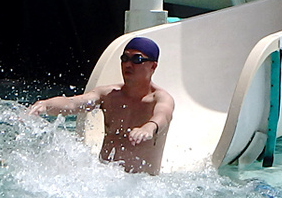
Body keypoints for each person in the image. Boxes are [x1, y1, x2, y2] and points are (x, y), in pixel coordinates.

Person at [27, 37, 174, 175]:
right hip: (105, 180)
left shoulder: (160, 98)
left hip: (142, 185)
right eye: (124, 58)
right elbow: (73, 103)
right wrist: (45, 105)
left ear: (153, 66)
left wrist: (149, 127)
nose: (128, 64)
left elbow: (163, 115)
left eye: (137, 59)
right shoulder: (108, 95)